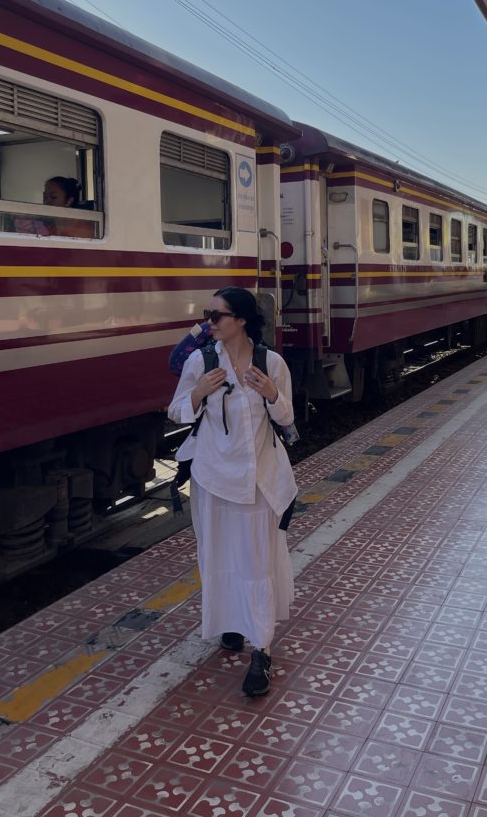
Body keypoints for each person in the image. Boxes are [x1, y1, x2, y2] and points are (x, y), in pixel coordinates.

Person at [167, 287, 297, 697]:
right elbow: (176, 410)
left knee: (256, 563)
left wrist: (271, 394)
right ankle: (230, 624)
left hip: (258, 480)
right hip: (212, 479)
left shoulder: (270, 362)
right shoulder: (199, 360)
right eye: (209, 314)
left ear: (240, 320)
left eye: (217, 315)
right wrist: (199, 391)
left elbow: (288, 415)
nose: (210, 322)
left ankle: (261, 648)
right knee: (219, 556)